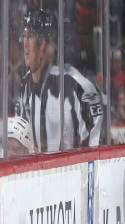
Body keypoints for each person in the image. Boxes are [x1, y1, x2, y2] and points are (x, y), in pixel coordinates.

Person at [16, 9, 104, 152]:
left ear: (45, 44)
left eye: (30, 36)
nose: (24, 44)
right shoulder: (25, 84)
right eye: (24, 36)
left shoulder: (76, 86)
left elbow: (97, 139)